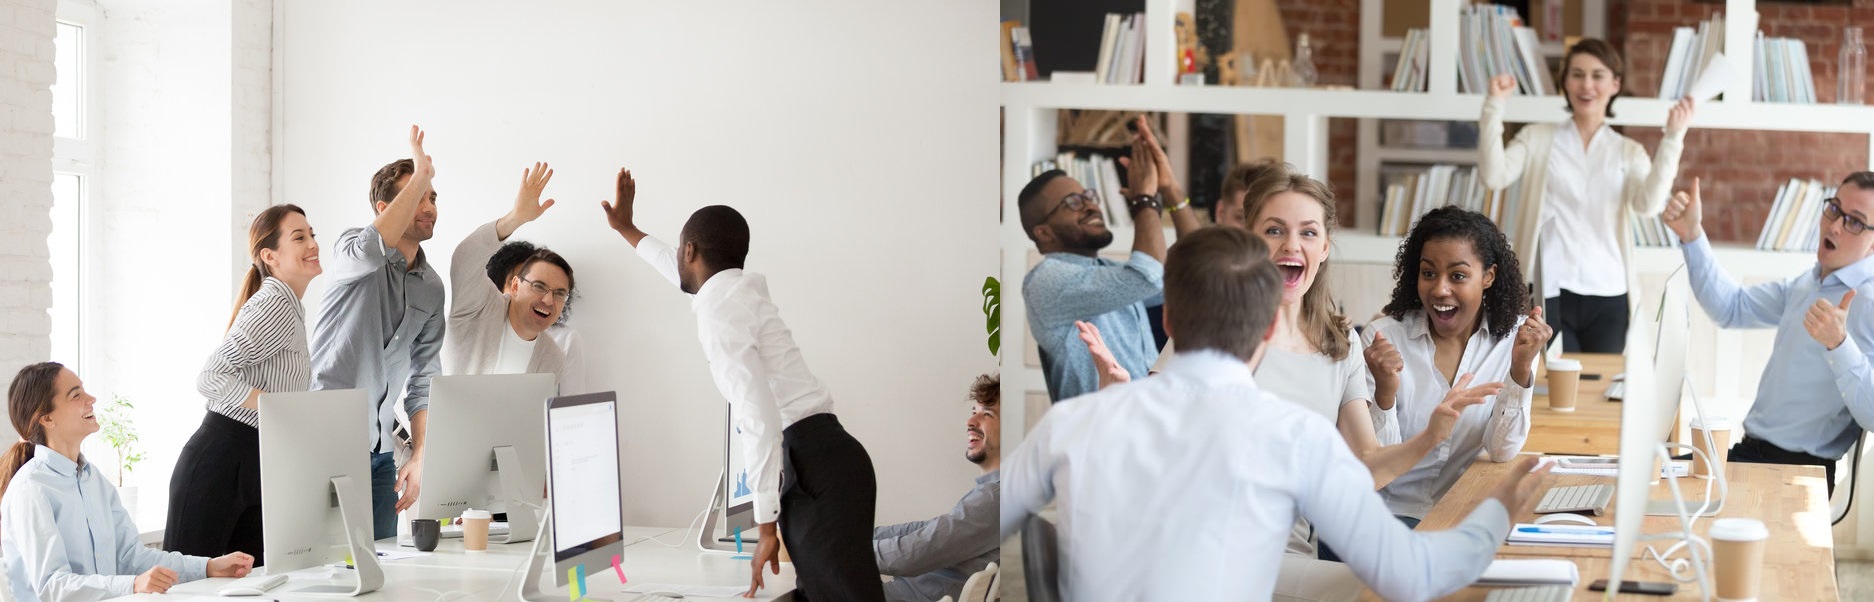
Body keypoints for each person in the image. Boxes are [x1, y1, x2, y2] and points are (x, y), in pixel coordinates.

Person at [1000, 226, 1550, 600]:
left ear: (1167, 321)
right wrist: (1499, 512)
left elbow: (982, 523)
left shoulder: (1072, 422)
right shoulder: (1295, 437)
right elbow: (1413, 575)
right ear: (1269, 326)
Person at [1080, 167, 1502, 571]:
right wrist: (1117, 396)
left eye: (1308, 233)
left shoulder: (1342, 343)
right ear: (1249, 240)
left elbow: (1365, 470)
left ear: (1323, 247)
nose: (1291, 246)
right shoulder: (1216, 323)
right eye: (1274, 230)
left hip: (1291, 559)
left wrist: (1431, 435)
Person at [599, 169, 883, 600]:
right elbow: (670, 268)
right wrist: (627, 229)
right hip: (833, 458)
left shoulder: (719, 310)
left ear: (690, 250)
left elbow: (758, 416)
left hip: (814, 470)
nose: (675, 257)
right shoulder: (734, 293)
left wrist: (765, 522)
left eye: (680, 249)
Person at [1661, 174, 1874, 496]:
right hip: (1750, 454)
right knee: (1652, 479)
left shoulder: (1868, 302)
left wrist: (1839, 344)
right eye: (1834, 209)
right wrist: (1692, 236)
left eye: (1855, 223)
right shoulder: (1809, 282)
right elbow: (1731, 307)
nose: (1834, 226)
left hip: (1798, 473)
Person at [1477, 38, 1695, 353]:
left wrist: (1674, 137)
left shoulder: (1627, 151)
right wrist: (1494, 105)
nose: (1586, 84)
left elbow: (1647, 205)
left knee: (1599, 391)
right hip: (1548, 290)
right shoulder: (1538, 138)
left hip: (1609, 292)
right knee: (1550, 390)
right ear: (1565, 82)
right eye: (1577, 74)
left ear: (1615, 83)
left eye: (1597, 75)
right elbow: (1494, 174)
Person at [2, 363, 255, 602]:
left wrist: (208, 567)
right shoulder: (31, 490)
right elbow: (51, 586)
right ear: (47, 419)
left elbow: (132, 557)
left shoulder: (94, 481)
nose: (91, 399)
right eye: (75, 395)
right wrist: (133, 585)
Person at [1370, 206, 1551, 526]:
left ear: (1488, 277)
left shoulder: (1516, 339)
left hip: (1458, 512)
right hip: (1385, 516)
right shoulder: (1383, 340)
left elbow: (1502, 450)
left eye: (1457, 275)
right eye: (1428, 273)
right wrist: (1385, 394)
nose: (1440, 289)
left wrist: (1520, 371)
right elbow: (1378, 471)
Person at [163, 205, 322, 563]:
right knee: (189, 589)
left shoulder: (289, 306)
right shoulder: (273, 304)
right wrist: (276, 408)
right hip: (221, 460)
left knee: (253, 586)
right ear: (270, 256)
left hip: (254, 458)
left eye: (312, 234)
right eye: (299, 237)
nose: (313, 244)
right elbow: (211, 375)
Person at [309, 126, 445, 540]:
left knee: (383, 571)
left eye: (433, 195)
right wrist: (421, 173)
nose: (430, 205)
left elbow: (425, 380)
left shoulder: (432, 287)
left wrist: (420, 456)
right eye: (418, 194)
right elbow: (370, 249)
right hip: (324, 443)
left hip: (381, 452)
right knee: (323, 572)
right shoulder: (352, 248)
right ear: (386, 208)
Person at [1020, 116, 1199, 401]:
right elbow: (1148, 274)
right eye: (1073, 203)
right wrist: (1144, 199)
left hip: (1146, 431)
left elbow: (1199, 275)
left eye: (1088, 195)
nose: (1090, 205)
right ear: (1044, 232)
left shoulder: (1109, 273)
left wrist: (1171, 190)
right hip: (1100, 440)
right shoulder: (1046, 280)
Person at [442, 162, 574, 387]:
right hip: (435, 421)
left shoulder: (553, 358)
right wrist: (516, 218)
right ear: (514, 286)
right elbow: (465, 259)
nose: (548, 300)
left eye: (560, 294)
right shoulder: (479, 308)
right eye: (539, 286)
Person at [872, 374, 1000, 602]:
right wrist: (852, 537)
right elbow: (928, 530)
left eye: (987, 414)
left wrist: (839, 549)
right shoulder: (993, 494)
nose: (970, 422)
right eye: (974, 412)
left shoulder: (995, 498)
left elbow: (911, 554)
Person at [484, 240, 586, 394]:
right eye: (537, 286)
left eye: (557, 292)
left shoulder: (560, 346)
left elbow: (572, 404)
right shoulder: (479, 327)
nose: (545, 298)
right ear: (514, 286)